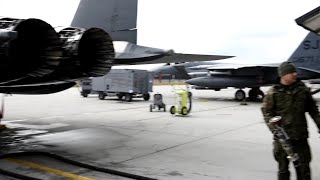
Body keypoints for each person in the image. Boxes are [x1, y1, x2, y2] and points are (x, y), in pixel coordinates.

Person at [261, 61, 320, 180]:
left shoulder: (302, 91)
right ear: (283, 75)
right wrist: (275, 129)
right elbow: (267, 112)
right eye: (291, 72)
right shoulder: (273, 92)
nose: (295, 74)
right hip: (282, 140)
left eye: (295, 72)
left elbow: (313, 111)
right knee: (283, 171)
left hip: (300, 138)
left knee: (304, 171)